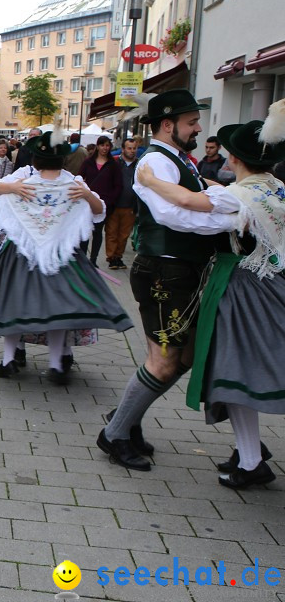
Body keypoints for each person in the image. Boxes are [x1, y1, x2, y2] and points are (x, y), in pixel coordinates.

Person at [135, 113, 285, 488]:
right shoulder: (275, 187)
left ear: (234, 158)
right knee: (237, 375)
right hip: (275, 283)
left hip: (244, 289)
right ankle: (250, 457)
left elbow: (188, 201)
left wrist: (150, 179)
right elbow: (221, 191)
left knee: (233, 374)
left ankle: (251, 461)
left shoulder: (235, 197)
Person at [97, 89, 233, 471]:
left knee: (184, 356)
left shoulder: (177, 159)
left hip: (179, 270)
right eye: (192, 122)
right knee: (164, 361)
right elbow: (174, 217)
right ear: (168, 124)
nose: (199, 128)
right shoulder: (156, 161)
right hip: (163, 272)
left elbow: (199, 197)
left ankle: (126, 415)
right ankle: (116, 433)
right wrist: (227, 219)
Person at [0, 133, 133, 385]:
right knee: (57, 310)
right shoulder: (69, 181)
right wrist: (84, 195)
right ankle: (54, 364)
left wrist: (13, 188)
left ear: (37, 159)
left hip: (22, 254)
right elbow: (99, 211)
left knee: (14, 305)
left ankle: (10, 359)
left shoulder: (40, 179)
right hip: (61, 257)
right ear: (62, 159)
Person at [78, 136, 121, 267]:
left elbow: (118, 185)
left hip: (104, 203)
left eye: (107, 145)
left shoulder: (113, 164)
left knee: (97, 231)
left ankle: (93, 259)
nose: (105, 148)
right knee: (85, 230)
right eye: (102, 145)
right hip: (87, 202)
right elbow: (79, 178)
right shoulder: (88, 162)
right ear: (97, 146)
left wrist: (109, 201)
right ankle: (83, 258)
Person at [105, 138, 139, 269]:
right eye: (129, 148)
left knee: (124, 234)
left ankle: (119, 256)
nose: (132, 151)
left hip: (130, 205)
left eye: (134, 148)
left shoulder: (139, 165)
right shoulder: (115, 163)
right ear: (123, 149)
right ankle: (111, 257)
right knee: (112, 232)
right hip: (115, 204)